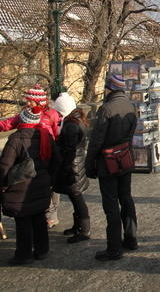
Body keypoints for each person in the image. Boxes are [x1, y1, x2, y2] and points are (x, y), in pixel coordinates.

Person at [85, 74, 138, 261]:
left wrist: (89, 163)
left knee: (110, 202)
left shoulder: (106, 109)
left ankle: (114, 248)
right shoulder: (130, 106)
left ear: (110, 88)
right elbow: (131, 135)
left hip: (108, 161)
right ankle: (131, 238)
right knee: (126, 198)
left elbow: (96, 140)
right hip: (125, 158)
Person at [0, 106, 60, 265]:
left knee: (23, 221)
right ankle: (42, 250)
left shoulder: (16, 139)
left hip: (20, 187)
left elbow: (5, 166)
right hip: (41, 183)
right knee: (39, 217)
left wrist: (3, 184)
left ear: (22, 120)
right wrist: (49, 178)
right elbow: (56, 160)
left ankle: (23, 254)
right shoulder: (46, 135)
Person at [0, 85, 62, 229]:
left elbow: (57, 134)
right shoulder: (24, 114)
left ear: (39, 102)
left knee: (49, 190)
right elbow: (7, 124)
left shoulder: (52, 114)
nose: (27, 103)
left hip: (45, 157)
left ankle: (51, 216)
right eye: (27, 100)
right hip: (28, 160)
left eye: (30, 101)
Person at [53, 100, 91, 244]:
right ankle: (78, 227)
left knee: (76, 197)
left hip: (73, 166)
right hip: (76, 163)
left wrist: (66, 167)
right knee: (75, 196)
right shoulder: (76, 120)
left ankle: (85, 230)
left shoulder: (70, 125)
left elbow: (70, 149)